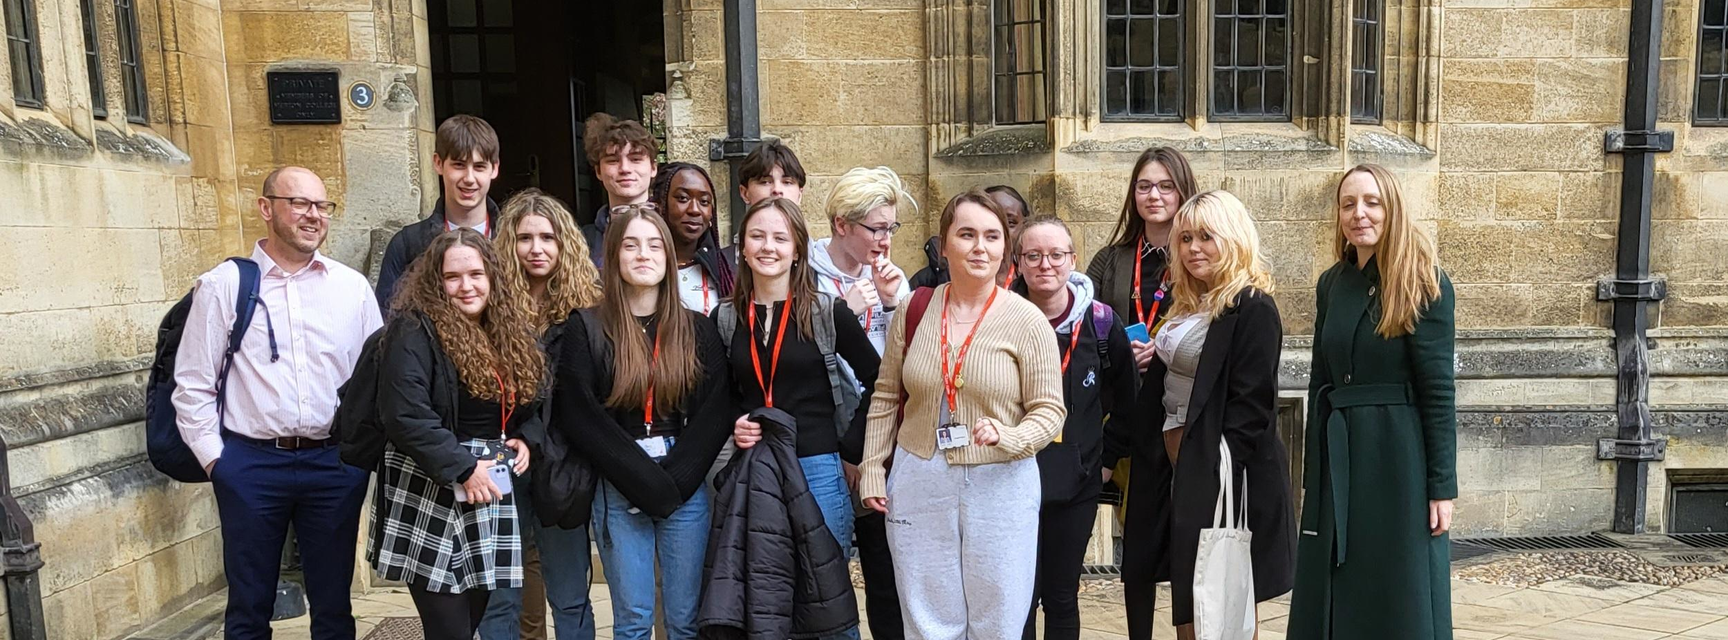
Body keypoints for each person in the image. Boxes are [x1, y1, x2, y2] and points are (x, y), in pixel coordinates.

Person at [173, 166, 382, 640]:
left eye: (322, 206)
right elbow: (191, 384)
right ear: (266, 208)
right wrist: (217, 461)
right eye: (300, 204)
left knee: (334, 606)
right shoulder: (224, 285)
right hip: (250, 464)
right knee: (249, 607)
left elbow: (374, 379)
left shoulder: (351, 288)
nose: (313, 216)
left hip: (333, 464)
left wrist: (359, 458)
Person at [858, 188, 1067, 640]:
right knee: (927, 619)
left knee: (999, 620)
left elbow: (1051, 411)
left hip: (1002, 483)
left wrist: (1009, 436)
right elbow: (886, 395)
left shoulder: (1027, 320)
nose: (980, 247)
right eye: (967, 234)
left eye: (992, 236)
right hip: (919, 476)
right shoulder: (915, 308)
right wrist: (873, 467)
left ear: (1004, 248)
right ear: (944, 243)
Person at [1287, 165, 1456, 640]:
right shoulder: (1331, 283)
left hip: (1398, 458)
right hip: (1339, 451)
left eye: (1371, 202)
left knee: (1396, 586)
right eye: (1348, 204)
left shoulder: (1425, 281)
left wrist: (1442, 487)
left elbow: (1439, 392)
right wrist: (1314, 474)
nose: (1358, 214)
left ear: (1392, 208)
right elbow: (1321, 378)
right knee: (1336, 583)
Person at [553, 205, 733, 640]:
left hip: (682, 486)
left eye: (654, 245)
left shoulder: (696, 328)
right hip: (619, 483)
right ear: (613, 255)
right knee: (633, 620)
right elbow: (580, 415)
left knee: (684, 621)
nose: (643, 255)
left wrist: (673, 483)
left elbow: (716, 410)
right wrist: (641, 481)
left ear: (670, 257)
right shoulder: (588, 327)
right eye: (630, 245)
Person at [1121, 191, 1295, 640]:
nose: (1194, 247)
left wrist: (1211, 468)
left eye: (1206, 237)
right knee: (1192, 594)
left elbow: (1253, 407)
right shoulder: (1187, 301)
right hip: (1174, 466)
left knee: (1221, 596)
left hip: (1220, 474)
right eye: (1185, 238)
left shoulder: (1252, 306)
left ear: (1233, 239)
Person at [369, 229, 543, 640]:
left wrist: (527, 437)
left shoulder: (508, 330)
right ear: (435, 281)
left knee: (471, 621)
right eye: (452, 277)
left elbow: (536, 402)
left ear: (493, 278)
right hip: (429, 483)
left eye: (476, 274)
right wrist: (464, 468)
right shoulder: (414, 330)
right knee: (448, 629)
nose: (466, 286)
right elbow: (405, 414)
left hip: (488, 487)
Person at [724, 198, 882, 640]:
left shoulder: (827, 313)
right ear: (742, 247)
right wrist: (736, 422)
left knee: (825, 592)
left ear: (798, 250)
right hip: (757, 468)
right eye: (757, 236)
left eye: (780, 238)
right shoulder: (726, 317)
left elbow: (881, 382)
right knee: (769, 595)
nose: (768, 247)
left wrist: (851, 449)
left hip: (816, 466)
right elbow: (723, 397)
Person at [478, 190, 605, 640]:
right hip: (498, 463)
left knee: (569, 594)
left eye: (547, 238)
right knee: (500, 599)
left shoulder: (587, 310)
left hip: (563, 464)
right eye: (524, 237)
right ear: (506, 245)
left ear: (564, 244)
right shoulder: (487, 308)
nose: (536, 249)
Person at [1008, 217, 1137, 640]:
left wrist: (1105, 461)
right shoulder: (1000, 319)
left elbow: (1128, 398)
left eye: (1056, 255)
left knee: (1061, 596)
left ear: (1072, 260)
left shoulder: (1101, 324)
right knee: (1018, 597)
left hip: (1076, 480)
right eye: (1034, 255)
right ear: (1018, 262)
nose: (1046, 264)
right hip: (1010, 478)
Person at [810, 165, 916, 640]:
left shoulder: (896, 280)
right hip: (822, 445)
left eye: (891, 228)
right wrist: (842, 317)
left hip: (878, 448)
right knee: (825, 573)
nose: (886, 240)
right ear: (841, 225)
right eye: (876, 228)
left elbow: (907, 369)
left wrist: (896, 306)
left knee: (885, 572)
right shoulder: (805, 277)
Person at [1085, 147, 1198, 374]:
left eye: (1166, 186)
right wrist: (1119, 353)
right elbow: (1084, 326)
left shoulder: (1198, 260)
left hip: (1178, 389)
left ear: (1183, 192)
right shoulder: (1107, 260)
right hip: (1121, 389)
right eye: (1144, 187)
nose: (1153, 196)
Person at [377, 115, 503, 313]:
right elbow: (387, 322)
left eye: (479, 167)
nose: (469, 179)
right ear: (438, 163)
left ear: (494, 169)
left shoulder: (512, 240)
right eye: (459, 165)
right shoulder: (408, 244)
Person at [651, 162, 735, 314]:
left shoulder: (724, 271)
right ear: (661, 204)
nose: (695, 210)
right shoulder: (645, 265)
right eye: (683, 198)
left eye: (704, 202)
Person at [579, 114, 660, 268]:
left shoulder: (674, 231)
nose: (625, 169)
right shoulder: (581, 240)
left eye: (635, 159)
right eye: (613, 161)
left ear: (653, 168)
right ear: (598, 171)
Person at [911, 184, 1029, 290]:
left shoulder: (1034, 278)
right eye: (967, 235)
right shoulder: (925, 287)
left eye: (1010, 222)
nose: (1002, 229)